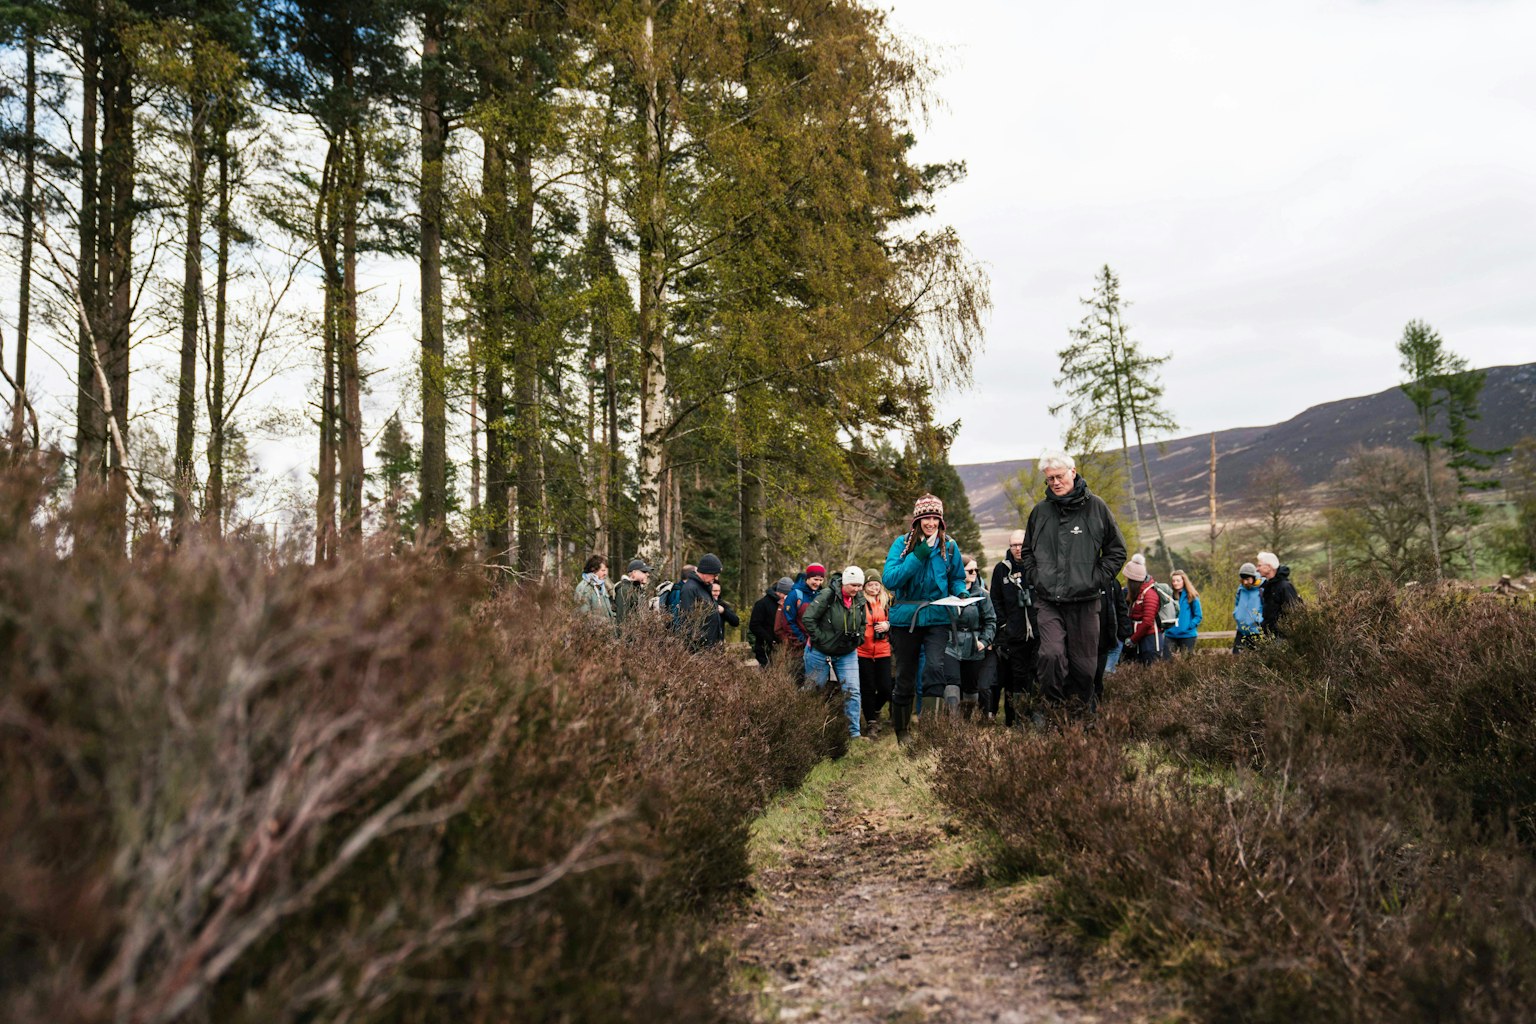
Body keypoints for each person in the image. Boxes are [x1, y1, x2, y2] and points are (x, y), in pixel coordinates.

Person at [1020, 453, 1127, 714]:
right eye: (1050, 479)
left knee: (1084, 668)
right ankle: (1055, 716)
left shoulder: (1097, 507)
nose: (1055, 483)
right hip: (1049, 601)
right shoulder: (1040, 512)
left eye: (1059, 476)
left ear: (1073, 472)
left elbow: (1116, 551)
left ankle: (1079, 725)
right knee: (1051, 656)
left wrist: (1095, 579)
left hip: (1086, 602)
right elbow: (1027, 552)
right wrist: (1037, 578)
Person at [883, 494, 970, 743]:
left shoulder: (949, 546)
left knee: (934, 669)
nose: (930, 522)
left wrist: (960, 592)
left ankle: (931, 730)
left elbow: (956, 577)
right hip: (906, 619)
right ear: (917, 519)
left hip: (937, 616)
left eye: (935, 518)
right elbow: (890, 580)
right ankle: (902, 732)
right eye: (925, 518)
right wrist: (918, 555)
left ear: (940, 521)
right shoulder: (902, 545)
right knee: (905, 675)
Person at [801, 565, 869, 738]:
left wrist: (859, 637)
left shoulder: (859, 599)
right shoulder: (827, 595)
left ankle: (854, 734)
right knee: (814, 690)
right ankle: (808, 731)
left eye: (859, 585)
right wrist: (822, 639)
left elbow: (863, 622)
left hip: (847, 652)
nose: (857, 589)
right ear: (845, 583)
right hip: (819, 652)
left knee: (852, 690)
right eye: (853, 585)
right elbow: (808, 618)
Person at [989, 530, 1039, 726]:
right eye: (1014, 545)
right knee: (1017, 677)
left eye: (1021, 544)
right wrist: (1004, 625)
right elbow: (995, 599)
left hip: (1038, 632)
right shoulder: (1001, 570)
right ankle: (1020, 719)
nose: (1018, 548)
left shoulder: (1037, 566)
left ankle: (1038, 715)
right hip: (1015, 634)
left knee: (1037, 674)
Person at [944, 558, 998, 718]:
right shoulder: (946, 592)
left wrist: (984, 640)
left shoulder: (982, 594)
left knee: (970, 687)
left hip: (974, 644)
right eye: (970, 570)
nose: (974, 573)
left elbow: (991, 620)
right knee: (952, 680)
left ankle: (967, 723)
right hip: (950, 643)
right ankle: (952, 723)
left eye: (976, 570)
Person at [856, 571, 893, 737]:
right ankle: (871, 722)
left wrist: (888, 625)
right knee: (868, 688)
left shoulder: (887, 601)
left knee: (886, 687)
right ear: (865, 586)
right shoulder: (859, 602)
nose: (873, 588)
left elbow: (898, 618)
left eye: (876, 584)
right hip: (862, 651)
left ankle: (877, 709)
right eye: (870, 585)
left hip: (883, 650)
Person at [675, 553, 725, 650]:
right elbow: (687, 621)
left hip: (712, 648)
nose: (716, 578)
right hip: (699, 651)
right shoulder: (690, 589)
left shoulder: (706, 587)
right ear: (705, 572)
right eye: (714, 575)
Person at [1122, 553, 1164, 664]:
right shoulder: (1138, 594)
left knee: (1151, 674)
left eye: (1128, 578)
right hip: (1141, 639)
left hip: (1150, 641)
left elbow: (1147, 622)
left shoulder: (1150, 594)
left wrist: (1132, 639)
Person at [781, 563, 826, 660]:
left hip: (818, 648)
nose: (818, 583)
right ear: (808, 578)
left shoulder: (821, 595)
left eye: (820, 580)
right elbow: (788, 622)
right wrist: (802, 640)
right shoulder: (794, 595)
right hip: (798, 649)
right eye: (815, 579)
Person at [749, 577, 794, 666]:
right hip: (765, 648)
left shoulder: (789, 603)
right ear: (780, 592)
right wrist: (770, 640)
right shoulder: (762, 604)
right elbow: (754, 625)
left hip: (785, 647)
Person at [1256, 551, 1301, 638]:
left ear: (1268, 567)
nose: (1257, 569)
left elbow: (1294, 613)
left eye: (1259, 565)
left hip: (1282, 638)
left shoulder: (1285, 587)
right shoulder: (1268, 587)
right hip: (1270, 637)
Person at [1163, 568, 1203, 655]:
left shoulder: (1192, 596)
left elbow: (1198, 615)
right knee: (1166, 662)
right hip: (1170, 634)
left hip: (1187, 635)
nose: (1175, 583)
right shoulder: (1168, 596)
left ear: (1183, 581)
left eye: (1178, 580)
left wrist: (1189, 626)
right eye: (1173, 581)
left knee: (1187, 663)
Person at [612, 558, 652, 629]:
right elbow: (621, 620)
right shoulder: (624, 590)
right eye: (644, 571)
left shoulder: (638, 591)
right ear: (634, 573)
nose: (647, 574)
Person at [573, 554, 614, 624]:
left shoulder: (602, 587)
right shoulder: (583, 588)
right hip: (592, 633)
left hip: (606, 632)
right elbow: (583, 616)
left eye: (606, 570)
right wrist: (605, 622)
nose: (606, 573)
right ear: (593, 570)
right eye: (603, 570)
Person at [1233, 562, 1264, 652]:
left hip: (1257, 633)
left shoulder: (1262, 589)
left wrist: (1259, 621)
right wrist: (1236, 615)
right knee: (1235, 661)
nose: (1245, 582)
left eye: (1247, 579)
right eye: (1243, 579)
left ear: (1254, 577)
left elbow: (1266, 608)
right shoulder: (1240, 589)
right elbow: (1237, 604)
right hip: (1241, 632)